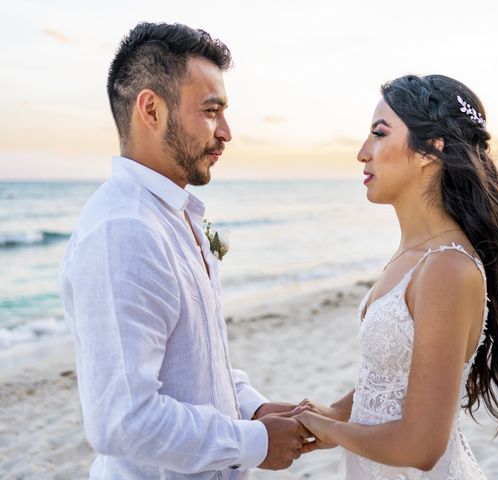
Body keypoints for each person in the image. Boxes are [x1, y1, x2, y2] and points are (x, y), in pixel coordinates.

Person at [59, 22, 310, 479]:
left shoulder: (175, 216)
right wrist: (253, 443)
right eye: (211, 111)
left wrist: (252, 409)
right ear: (151, 110)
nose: (227, 132)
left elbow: (194, 362)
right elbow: (123, 421)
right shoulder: (124, 231)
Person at [296, 74, 498, 479]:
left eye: (379, 135)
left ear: (429, 151)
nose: (363, 153)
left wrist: (332, 429)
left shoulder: (446, 268)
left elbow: (421, 446)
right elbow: (390, 378)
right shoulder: (413, 254)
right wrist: (332, 412)